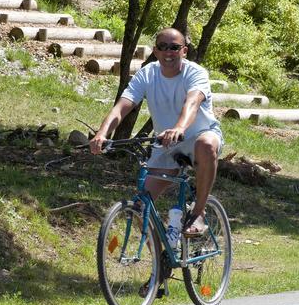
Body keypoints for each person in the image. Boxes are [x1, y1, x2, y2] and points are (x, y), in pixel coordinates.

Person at [90, 27, 222, 236]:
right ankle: (161, 261)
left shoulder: (195, 73)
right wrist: (102, 133)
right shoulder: (148, 73)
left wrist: (179, 128)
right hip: (166, 143)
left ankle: (198, 212)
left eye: (174, 47)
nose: (169, 52)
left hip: (199, 135)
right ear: (156, 51)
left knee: (206, 145)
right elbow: (123, 106)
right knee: (141, 207)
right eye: (163, 47)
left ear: (184, 51)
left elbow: (192, 103)